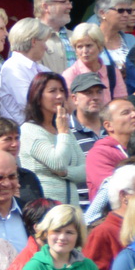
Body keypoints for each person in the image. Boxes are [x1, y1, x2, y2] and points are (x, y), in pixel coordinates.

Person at [19, 72, 85, 205]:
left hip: (72, 211)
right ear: (38, 96)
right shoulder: (29, 130)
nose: (59, 96)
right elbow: (58, 163)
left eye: (62, 90)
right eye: (52, 91)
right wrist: (62, 132)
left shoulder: (64, 130)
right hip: (46, 211)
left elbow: (84, 170)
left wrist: (64, 173)